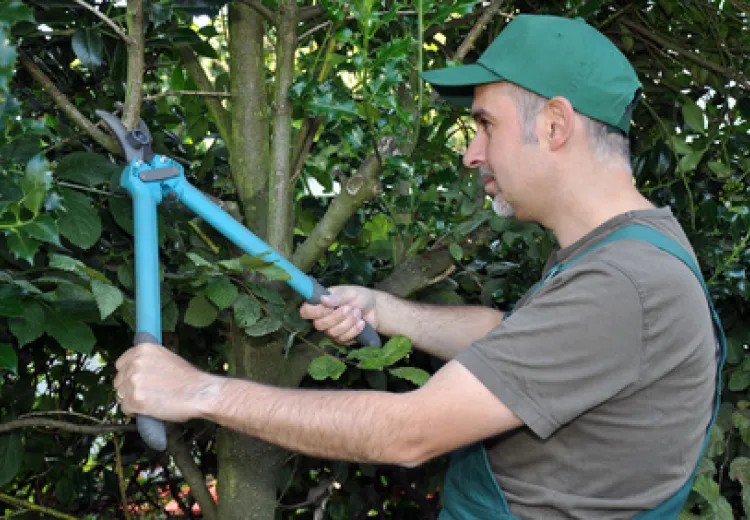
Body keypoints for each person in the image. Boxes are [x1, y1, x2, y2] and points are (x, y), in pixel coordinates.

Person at [114, 14, 723, 519]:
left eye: (486, 124)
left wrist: (198, 391)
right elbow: (513, 337)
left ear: (556, 125)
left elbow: (407, 432)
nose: (470, 153)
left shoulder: (625, 284)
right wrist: (386, 309)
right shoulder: (628, 250)